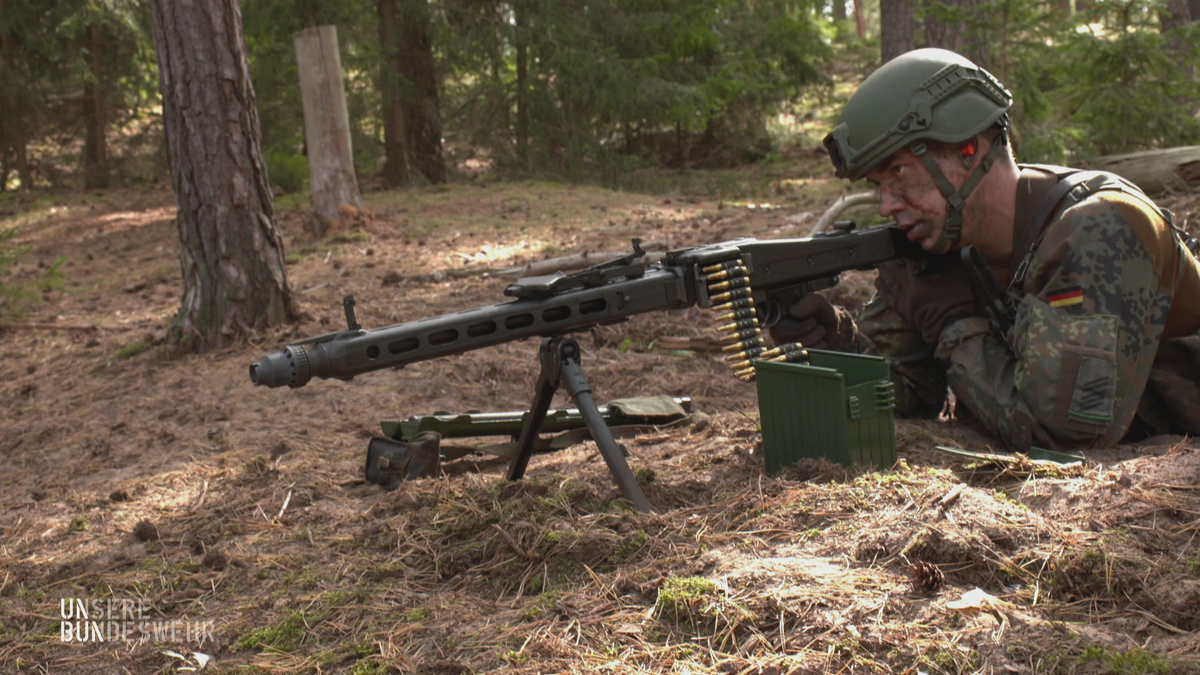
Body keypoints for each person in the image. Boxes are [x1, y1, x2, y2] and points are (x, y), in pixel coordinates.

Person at [771, 48, 1200, 451]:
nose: (886, 205)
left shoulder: (1099, 228)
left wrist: (953, 325)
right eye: (878, 185)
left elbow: (1064, 432)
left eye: (898, 172)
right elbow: (910, 392)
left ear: (968, 149)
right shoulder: (939, 241)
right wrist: (839, 342)